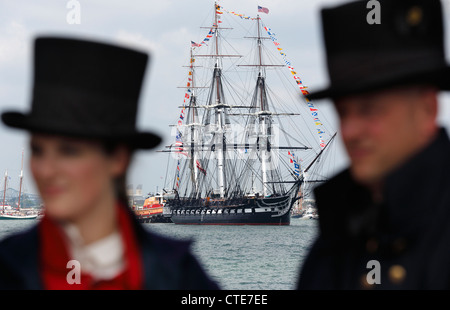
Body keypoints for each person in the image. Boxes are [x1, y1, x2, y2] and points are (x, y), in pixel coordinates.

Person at [0, 37, 219, 290]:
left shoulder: (180, 275)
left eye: (69, 151)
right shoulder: (9, 269)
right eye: (38, 151)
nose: (46, 170)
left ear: (118, 159)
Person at [297, 0, 450, 289]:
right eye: (343, 113)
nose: (350, 131)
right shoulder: (336, 242)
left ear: (427, 109)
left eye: (369, 109)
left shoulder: (338, 241)